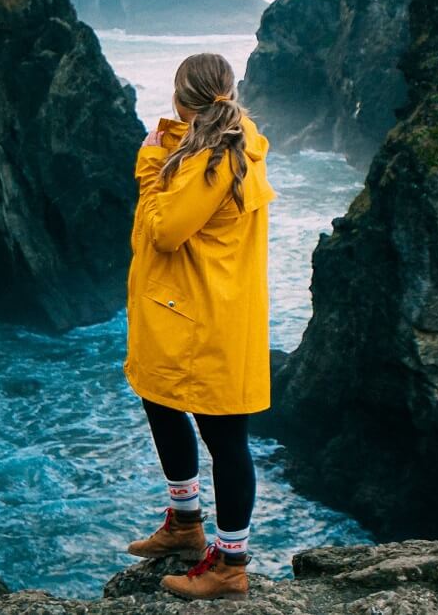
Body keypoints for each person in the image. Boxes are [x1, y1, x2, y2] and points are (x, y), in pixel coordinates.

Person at [122, 52, 277, 602]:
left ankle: (231, 564)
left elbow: (165, 230)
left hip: (206, 320)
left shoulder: (214, 162)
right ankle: (185, 522)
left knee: (226, 439)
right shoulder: (228, 142)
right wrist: (172, 143)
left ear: (183, 100)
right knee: (158, 400)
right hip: (193, 310)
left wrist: (147, 167)